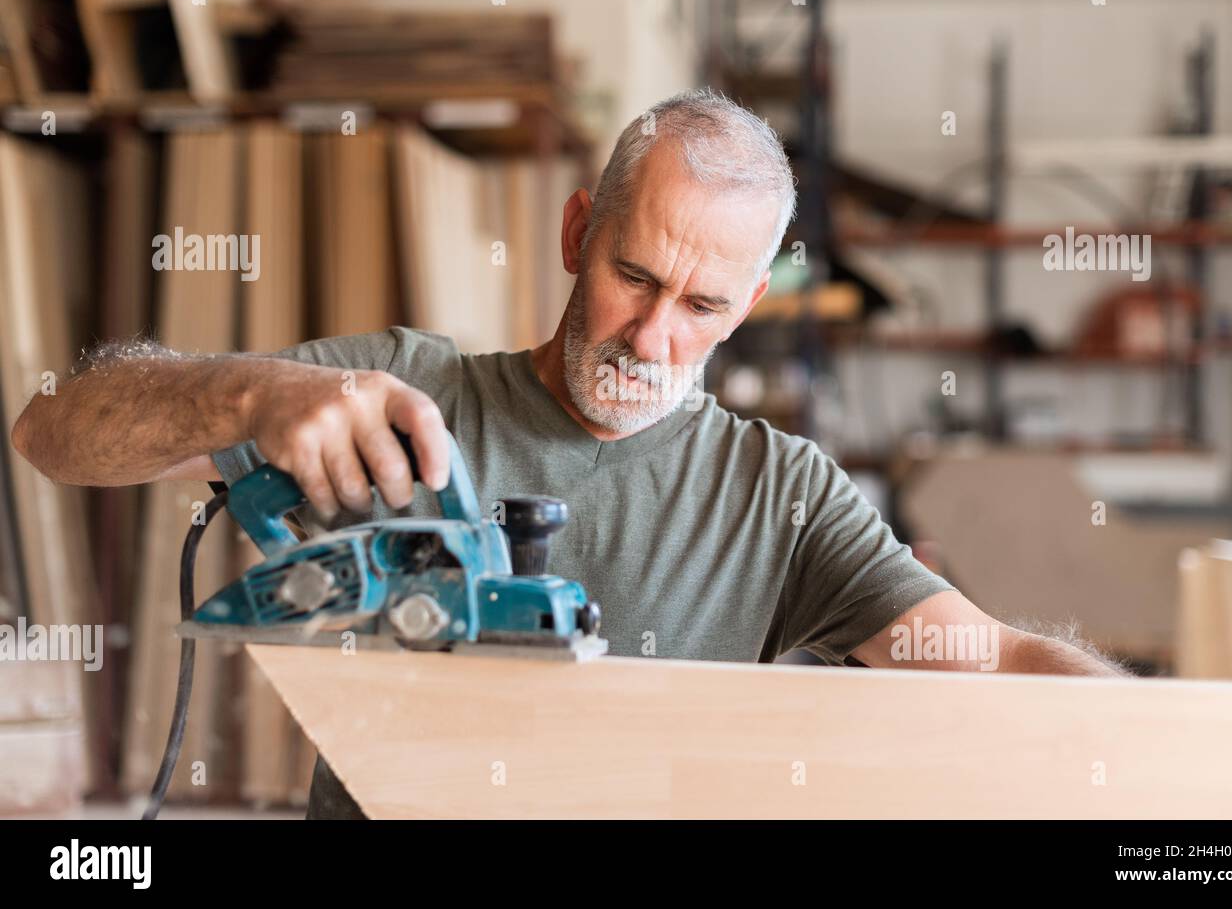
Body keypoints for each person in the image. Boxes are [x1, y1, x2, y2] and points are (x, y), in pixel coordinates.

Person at [12, 88, 1126, 818]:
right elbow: (54, 432)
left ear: (744, 310)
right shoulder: (402, 395)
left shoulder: (780, 496)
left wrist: (1194, 754)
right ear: (573, 233)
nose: (653, 338)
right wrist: (256, 391)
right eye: (634, 277)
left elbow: (1000, 666)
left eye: (700, 303)